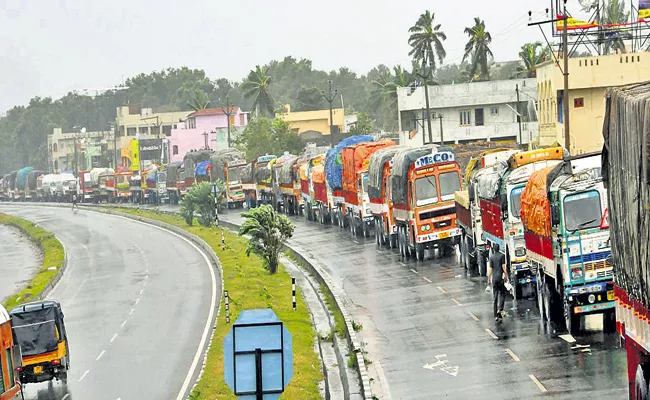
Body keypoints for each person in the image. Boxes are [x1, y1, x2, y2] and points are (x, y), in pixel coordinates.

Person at [487, 243, 509, 321]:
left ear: (493, 249)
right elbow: (504, 267)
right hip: (500, 279)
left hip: (494, 279)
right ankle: (500, 309)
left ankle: (495, 315)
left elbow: (490, 269)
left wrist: (488, 279)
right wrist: (507, 276)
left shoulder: (491, 257)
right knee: (503, 293)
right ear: (499, 248)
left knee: (495, 297)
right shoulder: (501, 256)